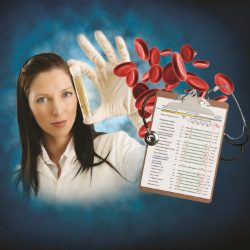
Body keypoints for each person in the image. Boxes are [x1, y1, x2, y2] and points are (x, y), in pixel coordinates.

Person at [15, 31, 145, 204]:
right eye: (42, 99)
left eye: (66, 94)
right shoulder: (17, 183)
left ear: (77, 95)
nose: (58, 110)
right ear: (28, 107)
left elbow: (186, 176)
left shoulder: (117, 148)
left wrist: (142, 113)